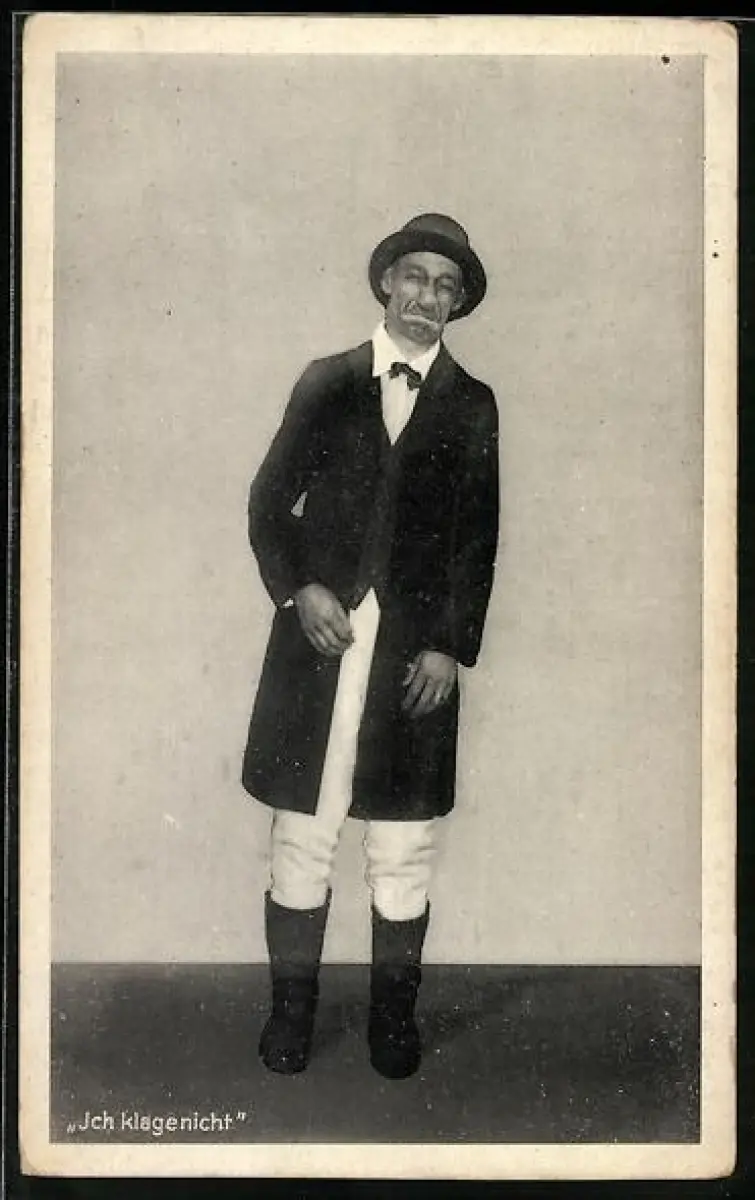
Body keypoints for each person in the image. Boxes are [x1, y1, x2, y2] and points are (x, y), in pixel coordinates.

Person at [242, 212, 499, 1080]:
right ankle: (290, 1016)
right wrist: (300, 589)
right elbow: (267, 503)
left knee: (403, 843)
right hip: (319, 648)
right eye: (415, 277)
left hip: (412, 661)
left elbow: (476, 541)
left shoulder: (472, 403)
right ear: (387, 282)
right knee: (302, 832)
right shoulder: (327, 381)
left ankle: (394, 1019)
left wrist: (448, 647)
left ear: (456, 304)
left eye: (445, 287)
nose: (427, 297)